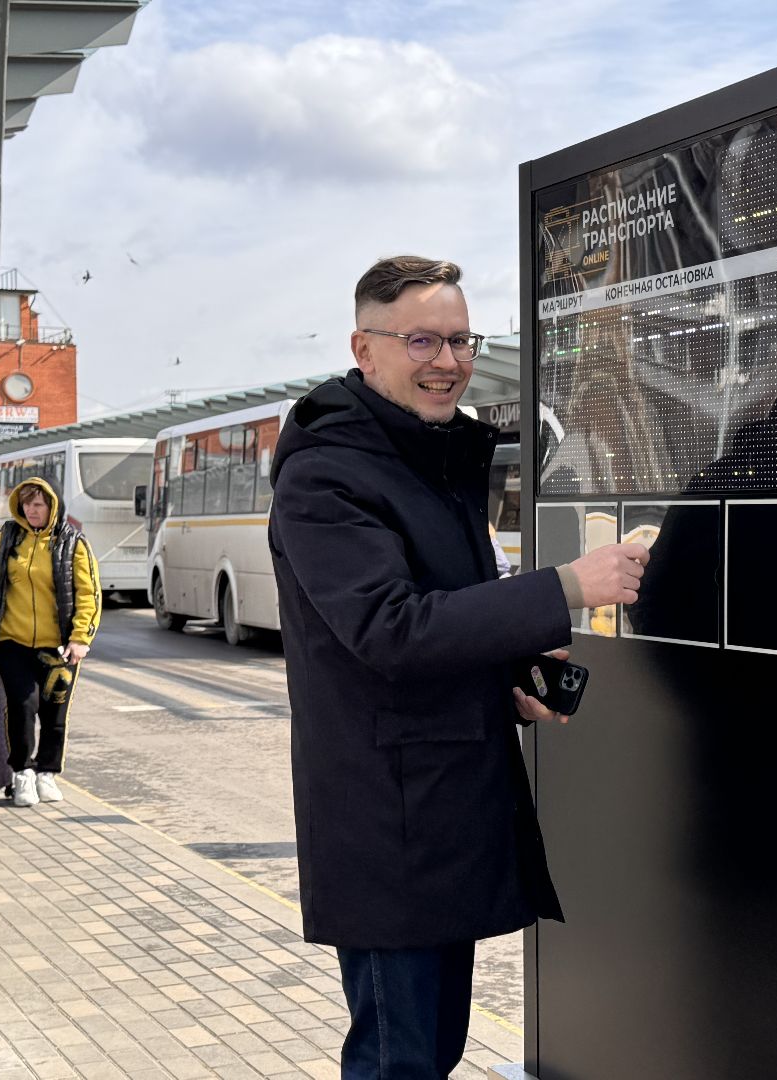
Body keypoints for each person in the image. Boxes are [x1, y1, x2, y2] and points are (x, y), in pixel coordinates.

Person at [267, 255, 648, 1079]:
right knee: (397, 1059)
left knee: (430, 1052)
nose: (448, 362)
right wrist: (567, 588)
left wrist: (508, 670)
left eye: (461, 340)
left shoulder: (429, 458)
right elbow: (388, 628)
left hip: (438, 810)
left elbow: (440, 614)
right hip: (387, 821)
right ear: (364, 349)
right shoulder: (326, 472)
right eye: (422, 341)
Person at [0, 477, 101, 807]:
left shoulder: (73, 543)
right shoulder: (8, 538)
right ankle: (22, 771)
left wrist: (80, 639)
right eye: (26, 504)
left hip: (58, 646)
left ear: (52, 507)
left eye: (38, 504)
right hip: (12, 640)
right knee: (22, 706)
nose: (31, 510)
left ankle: (47, 772)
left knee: (54, 712)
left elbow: (88, 594)